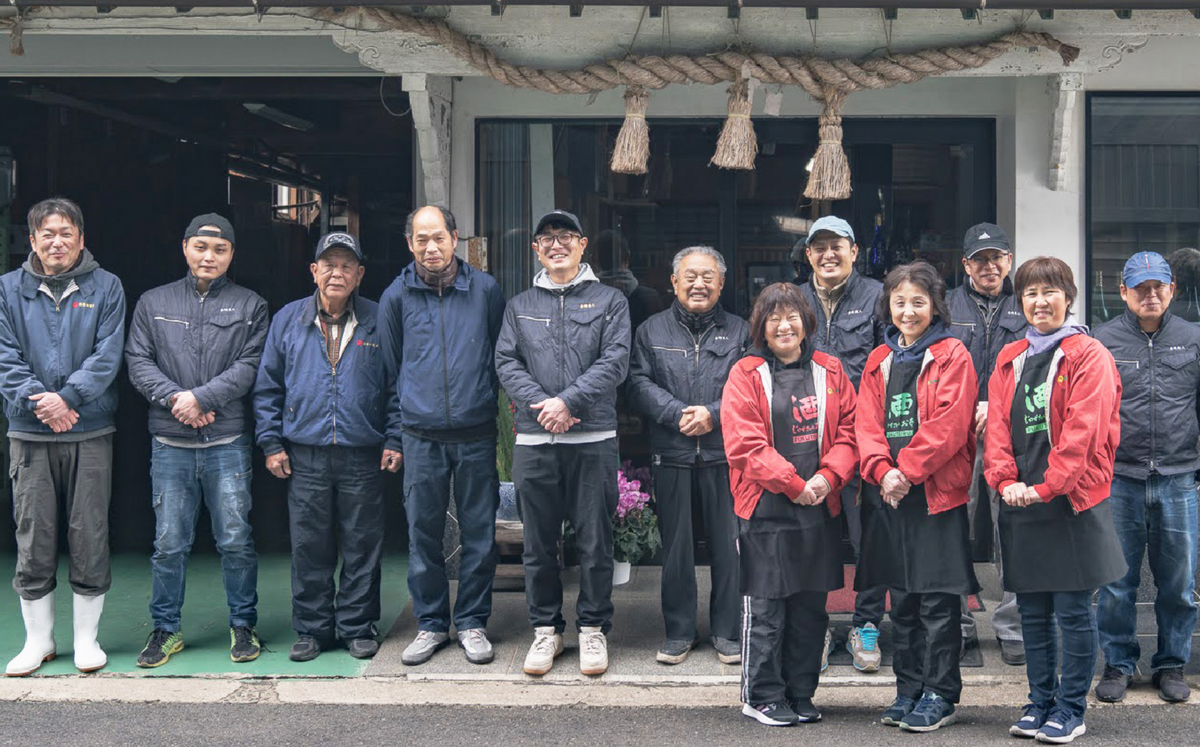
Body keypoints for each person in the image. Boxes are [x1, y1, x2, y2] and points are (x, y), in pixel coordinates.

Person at [984, 257, 1127, 744]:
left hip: (1070, 501)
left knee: (1071, 611)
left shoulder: (1089, 355)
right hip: (1021, 502)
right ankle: (1039, 700)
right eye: (1029, 294)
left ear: (1068, 297)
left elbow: (1084, 435)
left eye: (1049, 292)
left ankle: (1070, 708)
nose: (1039, 302)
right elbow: (998, 430)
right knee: (1032, 613)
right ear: (1019, 302)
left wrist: (1045, 486)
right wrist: (1003, 481)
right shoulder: (1010, 357)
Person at [126, 213, 269, 668]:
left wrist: (202, 397)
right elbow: (137, 359)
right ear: (185, 248)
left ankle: (243, 625)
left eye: (220, 249)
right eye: (201, 248)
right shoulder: (153, 302)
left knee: (235, 538)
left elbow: (250, 365)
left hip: (226, 441)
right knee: (169, 542)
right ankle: (166, 629)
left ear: (231, 255)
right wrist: (176, 400)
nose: (210, 257)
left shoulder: (251, 305)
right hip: (170, 443)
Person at [495, 209, 631, 677]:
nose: (556, 244)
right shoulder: (519, 305)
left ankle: (592, 630)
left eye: (566, 236)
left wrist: (568, 401)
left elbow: (615, 360)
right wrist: (544, 407)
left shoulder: (610, 301)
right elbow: (506, 363)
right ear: (535, 249)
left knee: (595, 541)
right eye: (547, 238)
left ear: (583, 244)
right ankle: (545, 631)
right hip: (536, 442)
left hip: (593, 438)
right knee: (538, 543)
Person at [721, 283, 858, 727]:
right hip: (765, 508)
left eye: (792, 316)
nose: (784, 325)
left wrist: (825, 478)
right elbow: (744, 444)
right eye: (774, 318)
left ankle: (800, 691)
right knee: (766, 608)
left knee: (810, 610)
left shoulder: (831, 370)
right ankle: (761, 694)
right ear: (761, 326)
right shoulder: (746, 372)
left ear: (806, 322)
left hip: (818, 506)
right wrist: (793, 483)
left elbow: (851, 432)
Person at [254, 232, 395, 662]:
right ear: (313, 271)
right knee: (309, 544)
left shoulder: (377, 319)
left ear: (360, 275)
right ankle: (313, 629)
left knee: (361, 542)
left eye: (346, 265)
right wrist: (271, 441)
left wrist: (395, 437)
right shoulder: (288, 320)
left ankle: (356, 626)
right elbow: (268, 386)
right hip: (305, 452)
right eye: (328, 264)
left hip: (362, 452)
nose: (337, 273)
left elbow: (396, 387)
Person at [1, 197, 125, 676]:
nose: (57, 242)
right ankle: (39, 642)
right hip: (30, 433)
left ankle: (86, 640)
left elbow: (108, 353)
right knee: (33, 535)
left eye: (66, 233)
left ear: (81, 239)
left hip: (89, 430)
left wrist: (68, 398)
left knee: (89, 532)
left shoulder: (107, 287)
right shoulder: (7, 290)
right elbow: (4, 356)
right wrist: (41, 401)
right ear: (32, 240)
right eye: (47, 234)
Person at [378, 206, 507, 667]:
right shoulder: (396, 297)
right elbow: (392, 371)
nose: (430, 248)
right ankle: (431, 624)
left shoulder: (486, 291)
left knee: (478, 533)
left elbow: (499, 358)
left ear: (455, 238)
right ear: (410, 244)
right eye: (420, 240)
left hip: (475, 432)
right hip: (420, 434)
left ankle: (472, 622)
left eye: (439, 238)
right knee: (423, 533)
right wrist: (396, 433)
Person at [856, 261, 980, 733]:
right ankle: (907, 687)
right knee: (901, 601)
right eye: (900, 302)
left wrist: (903, 471)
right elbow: (865, 425)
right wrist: (881, 471)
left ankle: (941, 692)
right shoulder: (878, 360)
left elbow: (948, 426)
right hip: (888, 496)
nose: (907, 312)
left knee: (937, 602)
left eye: (918, 303)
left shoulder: (952, 355)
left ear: (935, 306)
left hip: (934, 496)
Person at [627, 245, 749, 665]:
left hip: (725, 452)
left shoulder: (741, 331)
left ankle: (728, 632)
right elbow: (637, 383)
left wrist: (713, 415)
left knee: (729, 545)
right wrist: (677, 413)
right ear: (674, 282)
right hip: (672, 451)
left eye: (708, 276)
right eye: (690, 276)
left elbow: (751, 385)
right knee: (676, 548)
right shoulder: (650, 331)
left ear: (721, 282)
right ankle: (679, 632)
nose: (699, 284)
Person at [1093, 251, 1200, 704]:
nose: (1150, 295)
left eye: (1159, 286)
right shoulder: (1102, 341)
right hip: (1120, 477)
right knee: (1117, 583)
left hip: (1179, 477)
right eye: (1140, 288)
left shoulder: (1194, 338)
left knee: (1180, 583)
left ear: (1172, 289)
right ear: (1123, 293)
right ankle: (1119, 662)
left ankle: (1172, 663)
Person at [792, 215, 886, 673]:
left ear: (854, 251)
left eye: (838, 246)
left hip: (864, 437)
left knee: (868, 535)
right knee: (815, 538)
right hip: (806, 437)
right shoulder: (794, 300)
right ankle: (817, 628)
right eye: (819, 247)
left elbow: (890, 361)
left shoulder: (878, 297)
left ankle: (867, 622)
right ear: (808, 255)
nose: (829, 254)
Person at [947, 222, 1027, 666]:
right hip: (956, 437)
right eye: (980, 259)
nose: (989, 265)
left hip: (1010, 436)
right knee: (955, 527)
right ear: (966, 264)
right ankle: (957, 624)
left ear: (1009, 260)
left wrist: (994, 408)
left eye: (997, 257)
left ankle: (1012, 627)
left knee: (1010, 531)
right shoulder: (946, 306)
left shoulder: (1026, 305)